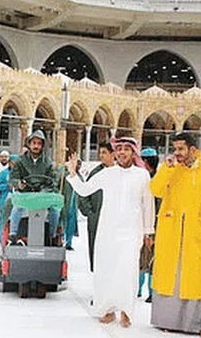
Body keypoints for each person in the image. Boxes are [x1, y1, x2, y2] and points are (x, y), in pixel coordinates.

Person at [65, 137, 155, 327]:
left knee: (128, 269)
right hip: (107, 229)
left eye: (126, 149)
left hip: (131, 230)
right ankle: (106, 309)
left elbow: (148, 204)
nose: (122, 152)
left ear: (133, 153)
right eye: (119, 149)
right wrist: (73, 174)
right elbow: (84, 190)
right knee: (106, 269)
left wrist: (149, 231)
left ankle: (126, 311)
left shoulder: (142, 175)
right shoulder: (107, 174)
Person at [149, 132, 201, 338]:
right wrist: (166, 168)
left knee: (193, 277)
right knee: (170, 275)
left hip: (195, 234)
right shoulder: (172, 170)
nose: (177, 153)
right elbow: (155, 189)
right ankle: (166, 321)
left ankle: (196, 324)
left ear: (193, 149)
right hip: (171, 231)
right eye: (175, 149)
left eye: (181, 149)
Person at [7, 130, 60, 245]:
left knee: (55, 209)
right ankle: (13, 234)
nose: (36, 146)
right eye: (34, 143)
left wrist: (45, 190)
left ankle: (53, 235)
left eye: (39, 144)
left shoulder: (48, 162)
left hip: (43, 194)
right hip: (26, 193)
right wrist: (19, 184)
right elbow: (13, 178)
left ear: (42, 146)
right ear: (29, 144)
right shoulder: (21, 161)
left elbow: (53, 181)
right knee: (17, 207)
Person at [79, 142, 115, 270]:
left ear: (113, 154)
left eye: (104, 153)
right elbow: (83, 194)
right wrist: (90, 212)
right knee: (96, 251)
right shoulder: (95, 173)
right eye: (100, 153)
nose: (101, 156)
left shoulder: (118, 173)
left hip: (113, 219)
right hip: (96, 218)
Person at [138, 148, 160, 302]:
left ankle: (141, 290)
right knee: (151, 260)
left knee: (144, 260)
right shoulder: (159, 178)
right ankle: (148, 292)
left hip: (147, 225)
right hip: (154, 226)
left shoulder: (147, 180)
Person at [0, 154, 18, 250]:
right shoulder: (4, 173)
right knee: (3, 222)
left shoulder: (20, 174)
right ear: (9, 163)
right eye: (13, 163)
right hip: (4, 202)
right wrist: (7, 186)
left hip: (17, 202)